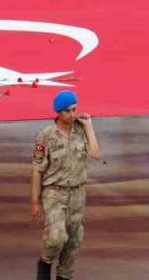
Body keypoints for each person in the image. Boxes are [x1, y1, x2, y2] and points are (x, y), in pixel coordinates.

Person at [32, 91, 100, 280]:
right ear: (58, 112)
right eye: (68, 111)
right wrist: (35, 202)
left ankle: (64, 276)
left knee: (73, 242)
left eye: (74, 109)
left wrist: (89, 127)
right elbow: (37, 170)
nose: (72, 114)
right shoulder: (46, 136)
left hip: (78, 194)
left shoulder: (81, 129)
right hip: (54, 192)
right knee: (56, 237)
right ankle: (44, 263)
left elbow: (95, 153)